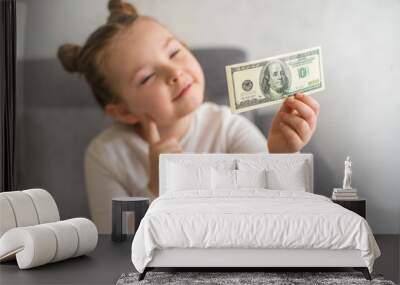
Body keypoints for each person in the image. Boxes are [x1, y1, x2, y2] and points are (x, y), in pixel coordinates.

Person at [58, 0, 320, 233]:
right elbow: (115, 242)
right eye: (147, 77)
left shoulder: (225, 126)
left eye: (174, 52)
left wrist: (282, 154)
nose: (173, 71)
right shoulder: (105, 155)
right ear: (123, 111)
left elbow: (282, 212)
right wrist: (156, 187)